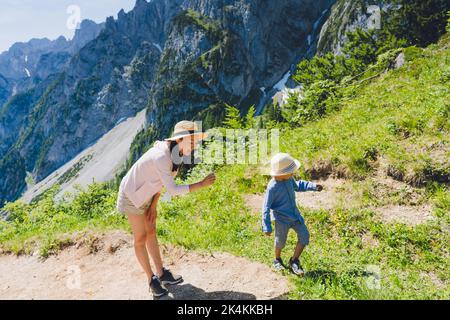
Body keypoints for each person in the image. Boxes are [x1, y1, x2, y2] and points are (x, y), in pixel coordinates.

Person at [116, 120, 216, 298]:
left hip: (147, 194)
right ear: (179, 140)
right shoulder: (162, 156)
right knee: (140, 237)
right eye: (192, 142)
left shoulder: (175, 156)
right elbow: (174, 190)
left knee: (151, 230)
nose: (194, 147)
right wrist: (201, 184)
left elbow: (162, 183)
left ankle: (162, 274)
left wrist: (153, 205)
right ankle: (151, 280)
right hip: (132, 196)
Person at [262, 153, 323, 276]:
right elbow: (266, 207)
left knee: (304, 236)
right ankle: (277, 260)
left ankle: (294, 260)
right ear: (282, 173)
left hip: (295, 216)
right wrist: (266, 226)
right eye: (291, 171)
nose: (293, 173)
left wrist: (312, 186)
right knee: (280, 241)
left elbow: (298, 185)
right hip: (281, 220)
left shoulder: (289, 179)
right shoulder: (272, 188)